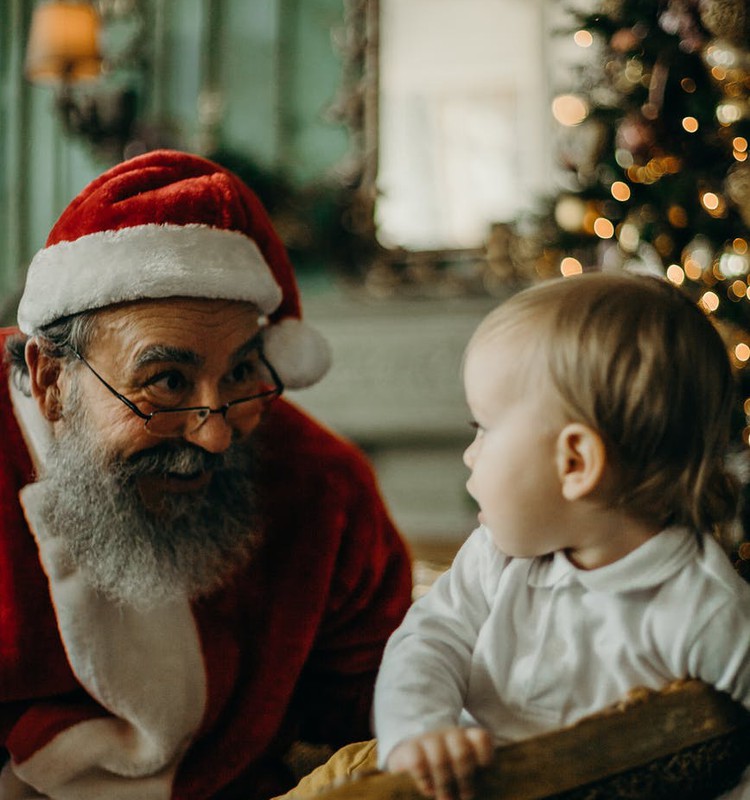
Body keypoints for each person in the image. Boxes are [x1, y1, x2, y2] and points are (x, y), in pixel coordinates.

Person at [0, 149, 412, 799]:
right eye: (166, 380)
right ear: (52, 379)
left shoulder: (323, 488)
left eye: (244, 373)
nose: (216, 434)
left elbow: (385, 699)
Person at [281, 272, 750, 800]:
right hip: (443, 777)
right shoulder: (496, 556)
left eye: (483, 428)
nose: (470, 453)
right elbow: (427, 643)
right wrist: (418, 732)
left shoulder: (704, 611)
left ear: (575, 462)